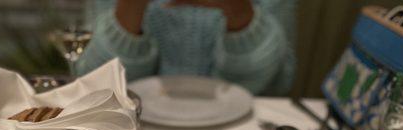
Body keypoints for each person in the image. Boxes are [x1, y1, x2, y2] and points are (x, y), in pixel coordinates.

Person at [77, 0, 296, 95]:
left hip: (243, 128)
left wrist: (239, 12)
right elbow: (94, 78)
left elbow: (280, 81)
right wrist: (131, 7)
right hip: (136, 124)